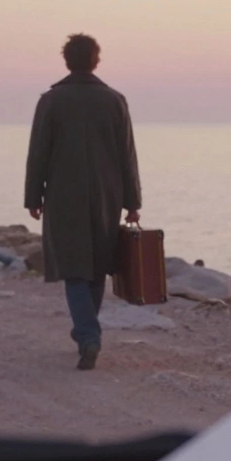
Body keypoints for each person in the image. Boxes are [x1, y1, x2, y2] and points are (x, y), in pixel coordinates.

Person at [24, 34, 142, 370]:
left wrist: (33, 196)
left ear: (66, 61)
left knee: (74, 268)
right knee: (97, 267)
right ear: (96, 60)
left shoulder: (51, 101)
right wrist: (133, 201)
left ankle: (88, 335)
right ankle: (86, 333)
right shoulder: (114, 100)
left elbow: (38, 154)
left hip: (63, 195)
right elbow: (127, 156)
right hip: (108, 195)